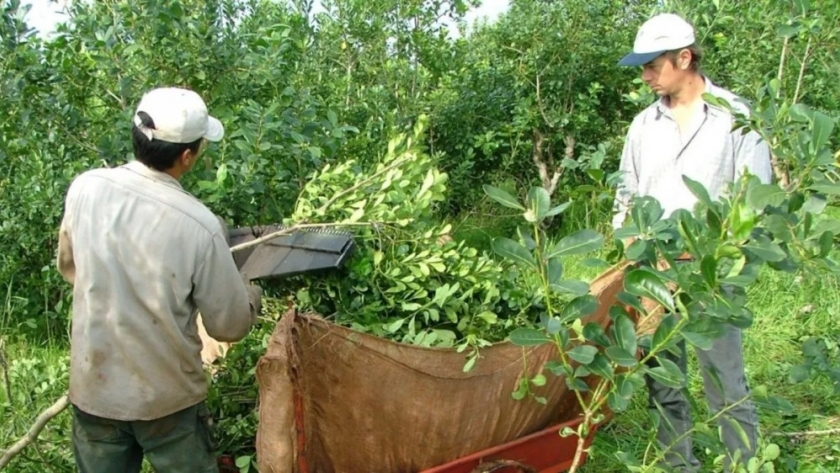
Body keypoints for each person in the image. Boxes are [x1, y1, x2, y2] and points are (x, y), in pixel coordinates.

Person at [57, 87, 262, 473]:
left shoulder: (85, 188)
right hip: (167, 401)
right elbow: (228, 326)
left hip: (95, 388)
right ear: (187, 156)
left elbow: (71, 268)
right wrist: (250, 294)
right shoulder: (200, 225)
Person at [611, 13, 773, 473]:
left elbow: (754, 199)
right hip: (653, 274)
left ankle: (741, 465)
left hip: (712, 275)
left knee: (725, 380)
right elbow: (626, 197)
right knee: (664, 380)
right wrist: (636, 261)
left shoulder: (734, 117)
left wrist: (714, 257)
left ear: (685, 58)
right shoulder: (643, 126)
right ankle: (679, 465)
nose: (644, 76)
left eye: (652, 65)